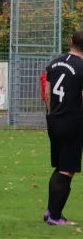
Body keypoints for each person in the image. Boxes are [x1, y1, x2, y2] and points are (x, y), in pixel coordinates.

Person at [43, 30, 83, 226]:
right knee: (67, 169)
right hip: (73, 122)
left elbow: (47, 92)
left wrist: (52, 114)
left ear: (71, 41)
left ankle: (51, 210)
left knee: (61, 166)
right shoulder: (82, 67)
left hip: (54, 119)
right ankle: (55, 216)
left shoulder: (55, 63)